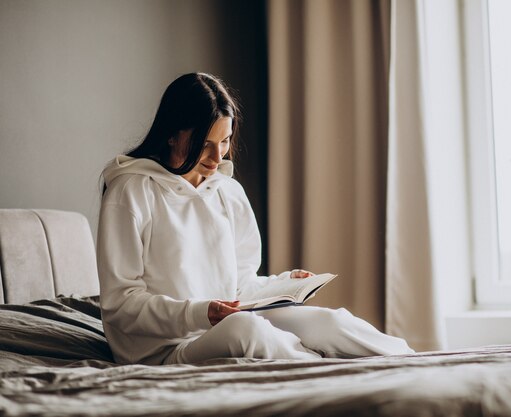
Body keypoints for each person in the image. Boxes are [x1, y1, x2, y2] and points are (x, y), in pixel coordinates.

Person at [97, 72, 414, 365]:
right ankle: (327, 374)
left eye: (224, 141)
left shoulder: (227, 192)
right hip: (160, 349)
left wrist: (284, 285)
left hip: (219, 323)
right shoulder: (130, 191)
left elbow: (240, 287)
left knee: (327, 322)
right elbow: (121, 304)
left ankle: (412, 361)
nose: (217, 156)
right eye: (204, 144)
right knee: (246, 331)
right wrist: (198, 313)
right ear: (172, 134)